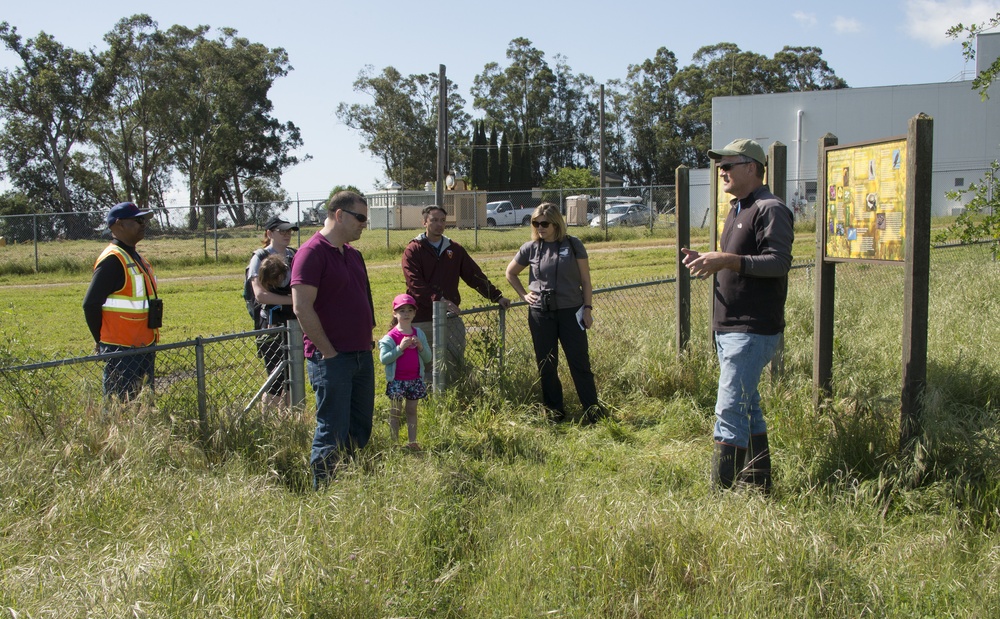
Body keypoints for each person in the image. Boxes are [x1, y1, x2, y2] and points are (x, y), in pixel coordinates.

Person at [681, 138, 794, 492]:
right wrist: (711, 258)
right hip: (730, 328)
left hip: (752, 329)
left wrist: (727, 260)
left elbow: (779, 262)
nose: (721, 171)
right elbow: (740, 260)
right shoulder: (737, 208)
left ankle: (721, 499)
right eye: (720, 166)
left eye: (728, 165)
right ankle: (759, 486)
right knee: (747, 408)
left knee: (729, 410)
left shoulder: (769, 208)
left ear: (752, 167)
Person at [291, 192, 376, 488]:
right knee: (332, 431)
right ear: (339, 215)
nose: (365, 224)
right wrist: (328, 352)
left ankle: (350, 486)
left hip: (361, 355)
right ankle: (325, 493)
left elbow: (363, 297)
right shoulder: (311, 253)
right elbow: (301, 307)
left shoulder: (353, 254)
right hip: (331, 360)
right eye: (361, 218)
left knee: (360, 426)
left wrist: (369, 336)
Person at [505, 203, 603, 423]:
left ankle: (592, 412)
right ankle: (555, 413)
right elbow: (510, 273)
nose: (540, 227)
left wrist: (587, 309)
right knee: (546, 365)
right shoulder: (530, 248)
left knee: (579, 364)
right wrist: (524, 295)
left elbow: (586, 281)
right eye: (536, 223)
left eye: (544, 223)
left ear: (556, 223)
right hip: (541, 314)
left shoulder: (573, 244)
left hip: (571, 312)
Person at [401, 205, 511, 384]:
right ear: (424, 222)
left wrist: (497, 296)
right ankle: (428, 402)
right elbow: (414, 284)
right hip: (422, 317)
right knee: (425, 364)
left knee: (454, 360)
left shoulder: (455, 249)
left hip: (450, 317)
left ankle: (454, 394)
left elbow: (474, 276)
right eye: (434, 220)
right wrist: (440, 300)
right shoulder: (413, 250)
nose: (439, 224)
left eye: (442, 220)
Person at [82, 202, 160, 400]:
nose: (143, 224)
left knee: (142, 405)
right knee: (121, 407)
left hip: (144, 344)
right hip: (122, 349)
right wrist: (100, 341)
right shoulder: (113, 260)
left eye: (144, 220)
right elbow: (90, 304)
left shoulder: (135, 257)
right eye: (137, 220)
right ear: (118, 225)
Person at [246, 215, 298, 410]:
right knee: (276, 380)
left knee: (293, 378)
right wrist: (293, 301)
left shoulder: (295, 255)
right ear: (269, 233)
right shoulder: (259, 257)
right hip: (271, 325)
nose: (287, 234)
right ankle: (268, 423)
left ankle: (291, 423)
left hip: (294, 322)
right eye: (281, 231)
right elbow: (260, 295)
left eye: (289, 231)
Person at [377, 293, 432, 451]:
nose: (406, 314)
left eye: (409, 310)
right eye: (402, 310)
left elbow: (428, 358)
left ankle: (412, 441)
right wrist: (399, 348)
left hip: (415, 380)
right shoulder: (390, 337)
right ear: (395, 313)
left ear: (415, 313)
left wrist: (420, 347)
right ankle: (393, 443)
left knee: (411, 410)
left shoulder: (419, 333)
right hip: (397, 381)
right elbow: (384, 359)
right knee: (395, 412)